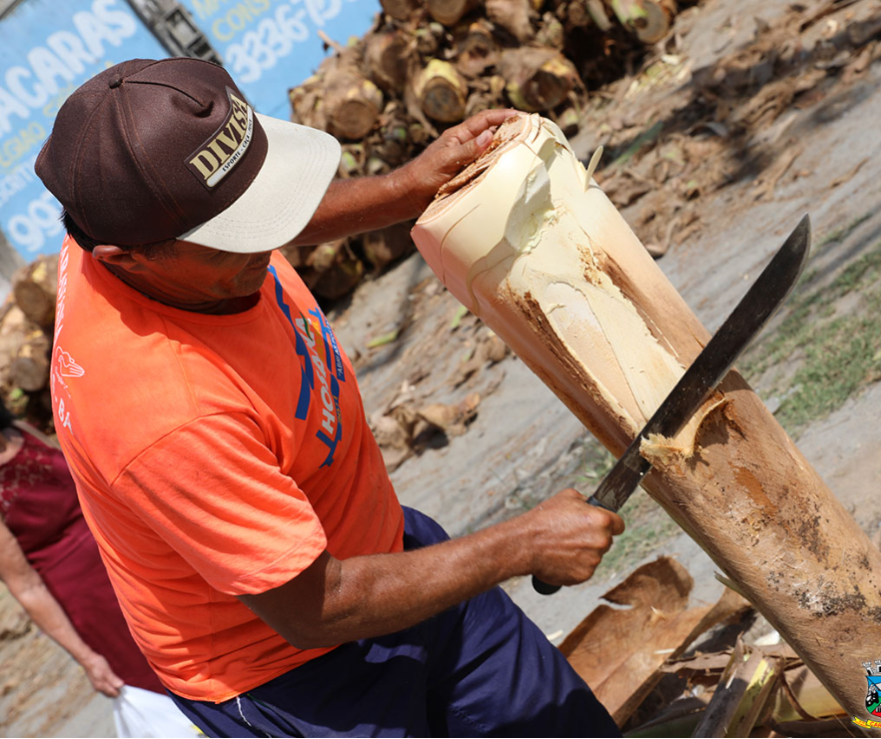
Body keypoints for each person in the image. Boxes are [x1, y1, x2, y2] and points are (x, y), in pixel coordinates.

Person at [34, 57, 624, 738]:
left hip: (389, 556)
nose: (266, 239)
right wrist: (519, 544)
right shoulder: (161, 413)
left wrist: (404, 188)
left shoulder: (133, 210)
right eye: (234, 237)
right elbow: (318, 606)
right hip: (300, 676)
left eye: (262, 205)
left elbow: (259, 206)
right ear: (123, 258)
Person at [0, 403, 197, 737]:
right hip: (90, 599)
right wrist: (87, 659)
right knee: (160, 682)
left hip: (126, 552)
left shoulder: (19, 431)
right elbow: (25, 587)